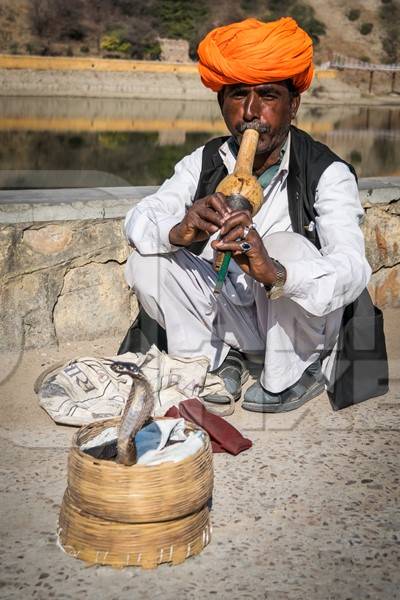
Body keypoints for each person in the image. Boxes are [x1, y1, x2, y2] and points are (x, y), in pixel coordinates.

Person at [123, 17, 372, 413]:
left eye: (268, 96)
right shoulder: (203, 161)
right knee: (147, 259)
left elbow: (353, 268)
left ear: (294, 106)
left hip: (295, 324)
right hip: (229, 312)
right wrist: (180, 229)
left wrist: (274, 272)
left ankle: (292, 375)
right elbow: (139, 219)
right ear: (222, 104)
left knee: (286, 245)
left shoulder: (327, 171)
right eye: (238, 96)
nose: (251, 113)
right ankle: (216, 362)